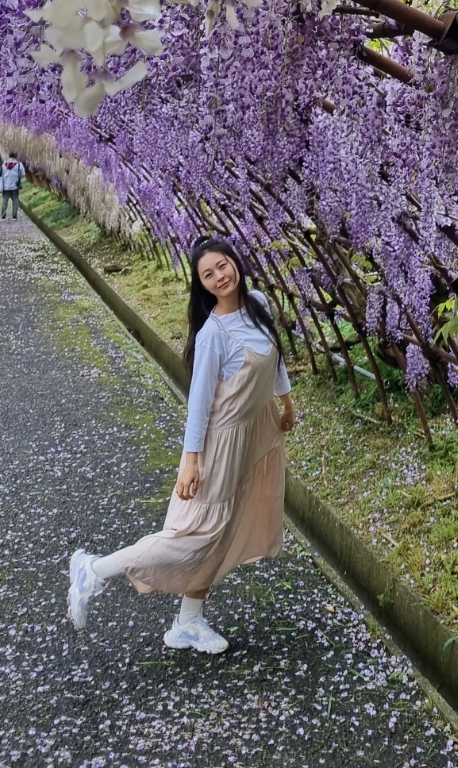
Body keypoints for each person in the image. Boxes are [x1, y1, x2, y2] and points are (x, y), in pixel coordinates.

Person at [67, 235, 295, 653]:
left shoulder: (258, 301)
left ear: (235, 262)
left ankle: (188, 623)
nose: (219, 276)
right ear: (202, 285)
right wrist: (191, 462)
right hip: (221, 442)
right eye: (208, 274)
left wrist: (286, 402)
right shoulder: (214, 334)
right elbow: (199, 406)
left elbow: (275, 358)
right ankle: (94, 569)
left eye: (222, 265)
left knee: (223, 531)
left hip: (255, 430)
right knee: (196, 534)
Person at [1, 154, 24, 220]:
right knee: (15, 200)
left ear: (9, 156)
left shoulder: (4, 164)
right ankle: (14, 216)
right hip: (15, 186)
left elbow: (1, 174)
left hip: (5, 186)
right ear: (16, 156)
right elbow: (23, 174)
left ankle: (3, 216)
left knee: (5, 200)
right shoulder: (19, 164)